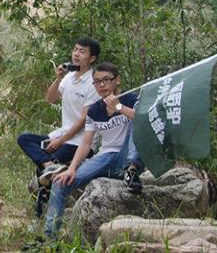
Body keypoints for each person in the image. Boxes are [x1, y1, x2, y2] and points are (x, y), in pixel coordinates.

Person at [37, 63, 139, 240]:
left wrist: (119, 107)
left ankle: (133, 170)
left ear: (117, 80)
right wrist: (72, 168)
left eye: (106, 80)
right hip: (106, 157)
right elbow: (85, 144)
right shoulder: (94, 110)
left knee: (136, 124)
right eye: (97, 82)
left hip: (127, 156)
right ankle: (50, 237)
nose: (102, 85)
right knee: (61, 182)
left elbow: (144, 120)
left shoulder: (130, 99)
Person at [16, 38, 101, 212]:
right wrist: (58, 78)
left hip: (80, 141)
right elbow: (50, 98)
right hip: (61, 134)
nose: (76, 54)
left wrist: (61, 141)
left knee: (45, 169)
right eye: (75, 49)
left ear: (92, 58)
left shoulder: (92, 83)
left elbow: (84, 119)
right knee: (25, 139)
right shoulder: (69, 77)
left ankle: (44, 208)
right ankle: (49, 165)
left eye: (82, 51)